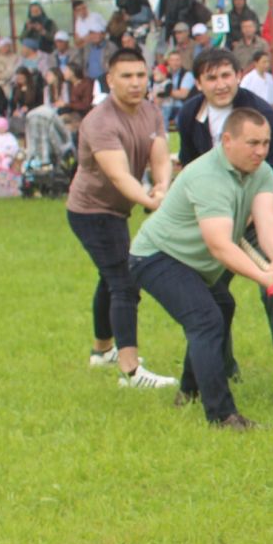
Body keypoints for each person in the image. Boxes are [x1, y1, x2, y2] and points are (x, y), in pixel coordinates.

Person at [129, 105, 273, 432]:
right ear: (227, 140)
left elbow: (268, 220)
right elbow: (220, 245)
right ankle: (222, 416)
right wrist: (261, 276)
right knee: (206, 318)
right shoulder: (207, 177)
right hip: (157, 255)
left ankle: (189, 390)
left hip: (194, 262)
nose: (260, 152)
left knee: (221, 306)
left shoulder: (263, 173)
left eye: (266, 143)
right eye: (252, 143)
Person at [177, 47, 273, 400]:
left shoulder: (259, 113)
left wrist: (247, 219)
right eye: (212, 77)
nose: (221, 84)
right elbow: (190, 169)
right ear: (199, 82)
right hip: (218, 213)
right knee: (210, 286)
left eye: (226, 75)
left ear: (238, 75)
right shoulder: (189, 115)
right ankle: (220, 362)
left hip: (271, 208)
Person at [64, 46, 177, 391]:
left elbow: (159, 156)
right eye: (126, 76)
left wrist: (162, 186)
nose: (135, 83)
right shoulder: (100, 121)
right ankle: (130, 372)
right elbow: (120, 176)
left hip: (116, 210)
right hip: (91, 211)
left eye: (141, 75)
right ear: (110, 80)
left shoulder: (151, 111)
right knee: (124, 281)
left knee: (110, 276)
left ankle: (102, 351)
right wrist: (151, 201)